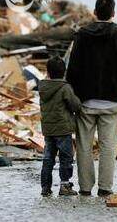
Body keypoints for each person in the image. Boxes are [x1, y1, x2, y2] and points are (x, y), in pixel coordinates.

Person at [66, 0, 117, 197]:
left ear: (95, 12)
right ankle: (105, 188)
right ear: (113, 13)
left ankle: (85, 187)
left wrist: (74, 96)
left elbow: (73, 69)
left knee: (84, 147)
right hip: (112, 102)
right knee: (108, 147)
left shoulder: (82, 35)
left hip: (86, 101)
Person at [39, 56, 81, 197]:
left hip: (48, 129)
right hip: (63, 129)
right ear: (64, 72)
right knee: (65, 158)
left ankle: (45, 187)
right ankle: (64, 186)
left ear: (48, 72)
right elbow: (75, 105)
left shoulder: (43, 87)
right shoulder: (65, 88)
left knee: (48, 158)